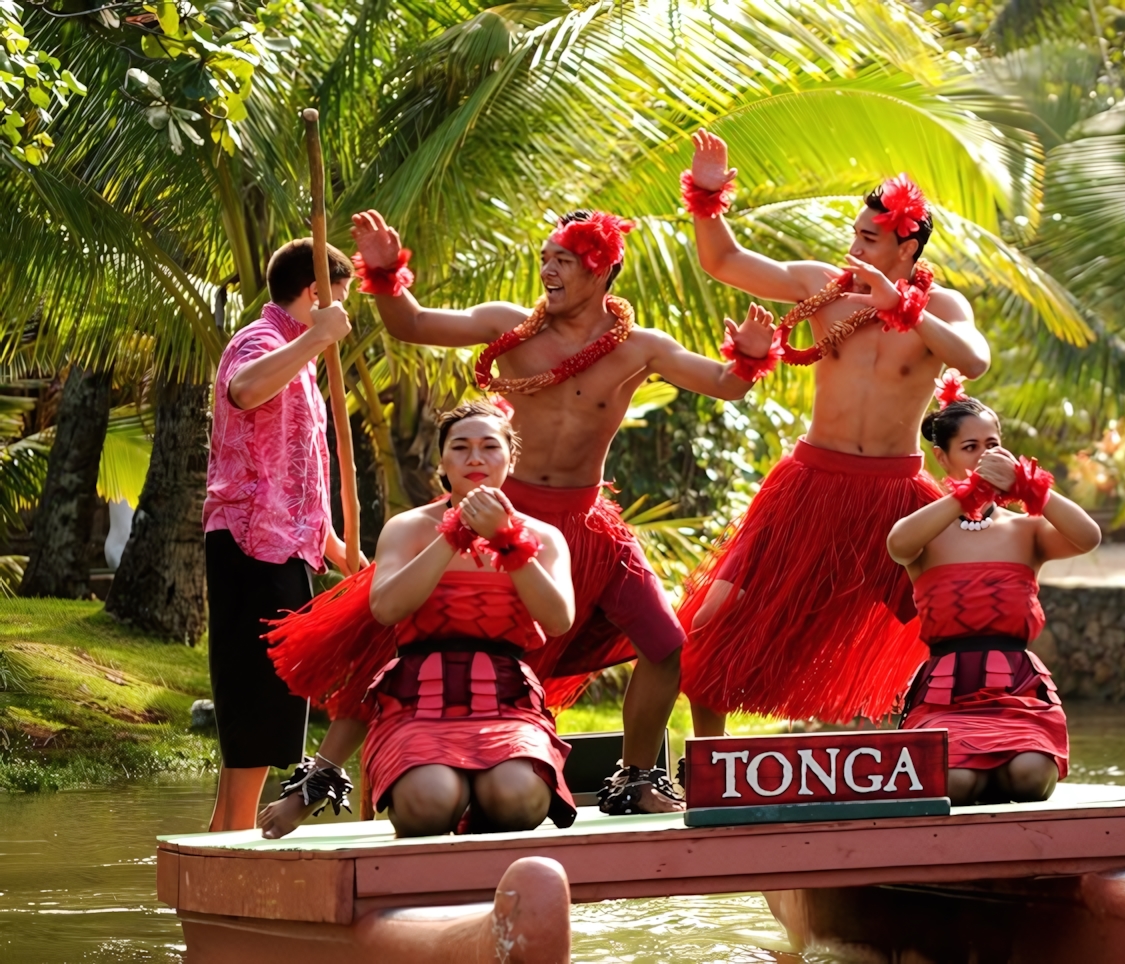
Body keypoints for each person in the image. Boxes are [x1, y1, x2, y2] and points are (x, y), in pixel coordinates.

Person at [347, 207, 777, 813]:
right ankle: (414, 771)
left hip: (589, 521)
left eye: (563, 261)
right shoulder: (511, 328)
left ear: (602, 271)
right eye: (544, 258)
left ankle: (634, 779)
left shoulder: (638, 347)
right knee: (489, 650)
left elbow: (726, 384)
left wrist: (751, 356)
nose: (547, 270)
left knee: (665, 643)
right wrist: (385, 268)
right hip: (507, 515)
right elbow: (410, 324)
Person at [677, 130, 992, 735]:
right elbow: (724, 262)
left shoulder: (944, 310)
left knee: (952, 623)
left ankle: (962, 741)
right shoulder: (825, 287)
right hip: (810, 483)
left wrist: (905, 307)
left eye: (868, 239)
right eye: (853, 234)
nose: (853, 247)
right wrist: (709, 194)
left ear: (908, 247)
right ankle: (710, 764)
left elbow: (974, 361)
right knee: (712, 621)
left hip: (894, 496)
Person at [261, 400, 578, 837]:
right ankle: (349, 786)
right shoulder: (407, 528)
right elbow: (386, 609)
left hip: (506, 704)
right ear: (443, 462)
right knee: (428, 804)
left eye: (489, 447)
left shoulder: (544, 537)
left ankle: (480, 818)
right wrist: (453, 536)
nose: (475, 458)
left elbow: (559, 619)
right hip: (418, 704)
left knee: (517, 799)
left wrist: (507, 539)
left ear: (511, 458)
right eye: (461, 447)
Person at [201, 238, 360, 832]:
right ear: (316, 293)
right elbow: (244, 390)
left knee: (277, 700)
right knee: (255, 695)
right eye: (339, 299)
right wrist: (316, 336)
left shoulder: (300, 358)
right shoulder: (262, 341)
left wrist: (341, 552)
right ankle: (234, 834)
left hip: (285, 546)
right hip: (248, 542)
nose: (343, 315)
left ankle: (227, 830)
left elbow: (299, 477)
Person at [886, 381, 1101, 804]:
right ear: (943, 457)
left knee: (1029, 776)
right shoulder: (929, 531)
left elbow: (1088, 536)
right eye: (970, 448)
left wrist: (1030, 488)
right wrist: (967, 494)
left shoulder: (1027, 529)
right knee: (956, 783)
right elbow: (897, 545)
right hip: (948, 696)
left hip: (1016, 694)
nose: (984, 457)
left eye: (993, 445)